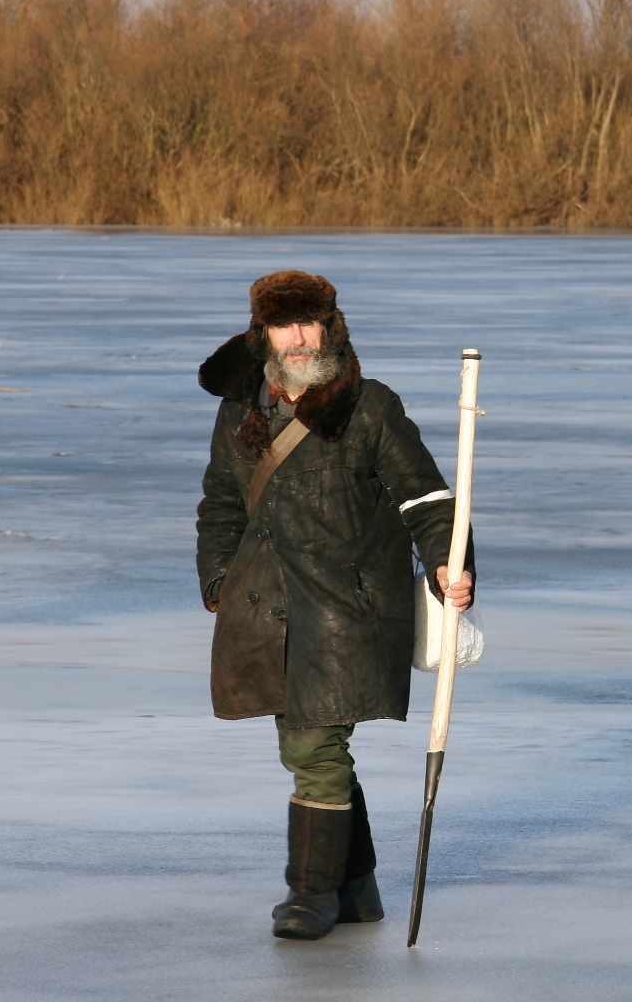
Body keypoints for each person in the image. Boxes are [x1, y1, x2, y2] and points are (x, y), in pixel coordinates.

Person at [196, 270, 474, 940]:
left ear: (329, 328)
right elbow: (221, 503)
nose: (296, 338)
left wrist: (450, 563)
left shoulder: (370, 407)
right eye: (282, 325)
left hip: (343, 611)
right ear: (262, 333)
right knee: (305, 743)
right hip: (264, 609)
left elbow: (428, 499)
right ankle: (356, 889)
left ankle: (311, 893)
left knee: (313, 746)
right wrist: (219, 582)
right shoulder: (240, 411)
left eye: (308, 323)